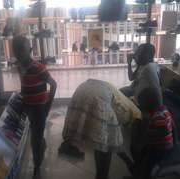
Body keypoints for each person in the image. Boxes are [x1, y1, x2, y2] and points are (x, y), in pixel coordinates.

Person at [58, 79, 141, 179]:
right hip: (100, 96)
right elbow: (115, 142)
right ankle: (102, 175)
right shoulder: (133, 112)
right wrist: (129, 162)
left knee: (100, 138)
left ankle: (69, 145)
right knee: (106, 141)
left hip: (83, 89)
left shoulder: (118, 93)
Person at [12, 35, 57, 179]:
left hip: (39, 108)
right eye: (16, 51)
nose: (19, 54)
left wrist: (48, 105)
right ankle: (41, 144)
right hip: (29, 106)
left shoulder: (39, 68)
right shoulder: (19, 66)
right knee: (36, 133)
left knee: (35, 140)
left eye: (22, 51)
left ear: (30, 50)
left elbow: (53, 84)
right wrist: (23, 99)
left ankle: (37, 167)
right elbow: (24, 83)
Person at [132, 87, 175, 179]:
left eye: (141, 104)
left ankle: (145, 175)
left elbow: (153, 137)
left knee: (146, 162)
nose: (140, 106)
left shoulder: (158, 118)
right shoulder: (163, 109)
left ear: (148, 104)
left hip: (161, 149)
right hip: (163, 145)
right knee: (141, 152)